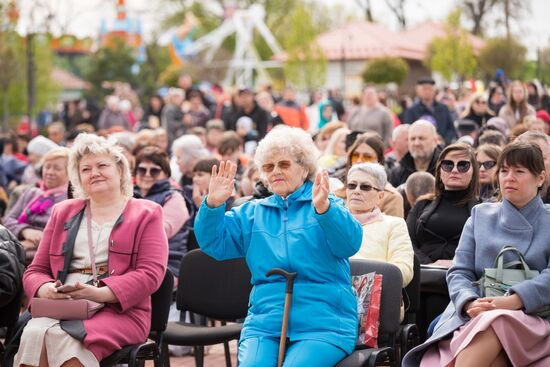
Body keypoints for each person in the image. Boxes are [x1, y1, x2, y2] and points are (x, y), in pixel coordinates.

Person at [194, 125, 362, 366]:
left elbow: (350, 244)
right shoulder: (251, 212)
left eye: (284, 164)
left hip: (324, 320)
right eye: (268, 167)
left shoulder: (325, 202)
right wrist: (213, 204)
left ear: (304, 168)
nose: (275, 172)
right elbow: (213, 244)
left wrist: (325, 210)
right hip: (265, 321)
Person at [14, 134, 168, 367]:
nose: (94, 172)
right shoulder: (62, 211)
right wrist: (46, 289)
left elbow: (151, 274)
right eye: (85, 169)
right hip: (62, 305)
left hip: (119, 310)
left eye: (102, 165)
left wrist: (100, 293)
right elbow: (36, 270)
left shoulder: (148, 213)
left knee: (63, 337)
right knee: (33, 332)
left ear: (120, 170)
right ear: (79, 178)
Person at [404, 141, 550, 367]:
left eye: (519, 171)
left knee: (494, 321)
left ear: (540, 178)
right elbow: (459, 270)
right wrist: (469, 302)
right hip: (478, 309)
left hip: (534, 315)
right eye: (504, 171)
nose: (509, 178)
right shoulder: (481, 215)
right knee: (491, 336)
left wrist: (515, 300)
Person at [406, 143, 480, 266]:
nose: (455, 170)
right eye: (448, 165)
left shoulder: (484, 208)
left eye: (463, 165)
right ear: (439, 172)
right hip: (424, 274)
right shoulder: (422, 204)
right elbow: (406, 242)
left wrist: (457, 264)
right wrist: (428, 265)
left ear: (473, 172)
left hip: (466, 275)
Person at [346, 162, 414, 290]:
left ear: (380, 196)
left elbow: (404, 270)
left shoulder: (394, 225)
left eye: (365, 187)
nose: (356, 191)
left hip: (377, 297)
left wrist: (364, 282)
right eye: (352, 185)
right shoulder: (332, 222)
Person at [3, 147, 70, 262]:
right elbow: (8, 220)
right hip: (16, 247)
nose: (50, 172)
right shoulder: (31, 192)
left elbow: (65, 235)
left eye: (57, 168)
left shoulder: (70, 199)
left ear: (70, 173)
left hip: (44, 255)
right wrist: (25, 231)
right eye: (47, 167)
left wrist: (36, 242)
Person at [133, 146, 190, 276]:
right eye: (142, 170)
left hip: (167, 265)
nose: (147, 175)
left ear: (166, 174)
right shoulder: (129, 195)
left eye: (154, 171)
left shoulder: (174, 198)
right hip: (132, 262)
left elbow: (160, 232)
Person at [337, 132, 404, 217]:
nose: (359, 161)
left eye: (367, 157)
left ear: (379, 161)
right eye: (355, 156)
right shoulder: (337, 194)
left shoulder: (392, 198)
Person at [389, 119, 442, 187]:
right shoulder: (397, 173)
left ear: (435, 141)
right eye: (412, 139)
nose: (416, 143)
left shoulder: (446, 169)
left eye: (421, 138)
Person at [403, 77, 457, 143]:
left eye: (430, 89)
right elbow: (409, 131)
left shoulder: (443, 108)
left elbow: (451, 129)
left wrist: (444, 140)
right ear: (418, 91)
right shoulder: (411, 111)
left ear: (434, 91)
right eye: (424, 89)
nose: (427, 92)